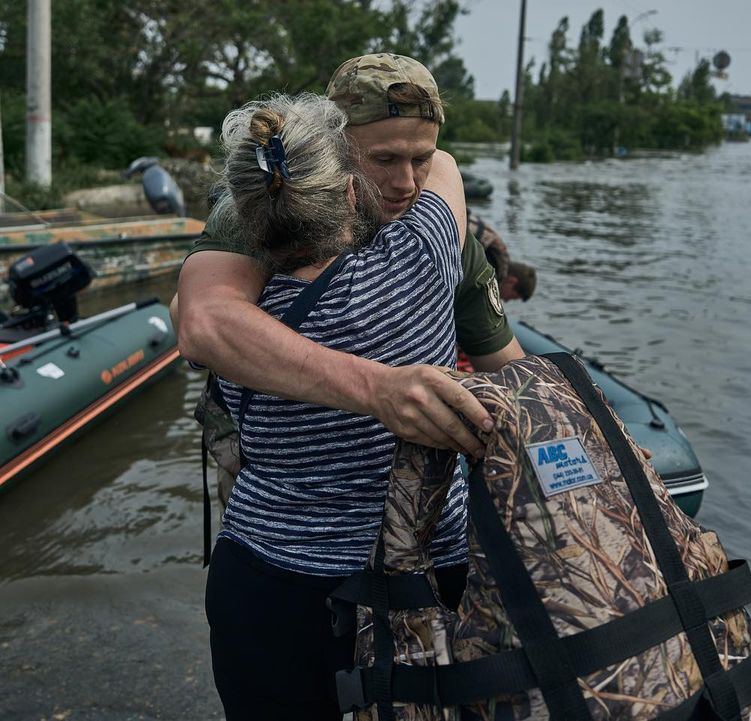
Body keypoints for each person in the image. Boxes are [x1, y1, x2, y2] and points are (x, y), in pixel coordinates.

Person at [203, 92, 470, 719]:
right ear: (352, 194)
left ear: (244, 216)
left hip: (264, 584)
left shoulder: (236, 325)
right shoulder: (418, 261)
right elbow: (447, 171)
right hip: (415, 582)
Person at [174, 54, 524, 460]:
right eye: (384, 159)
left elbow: (506, 366)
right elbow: (202, 325)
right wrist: (378, 388)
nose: (406, 184)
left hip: (404, 492)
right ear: (333, 147)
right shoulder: (265, 206)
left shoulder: (444, 237)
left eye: (421, 159)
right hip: (266, 463)